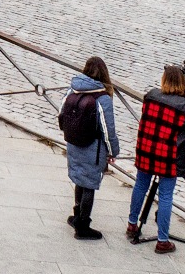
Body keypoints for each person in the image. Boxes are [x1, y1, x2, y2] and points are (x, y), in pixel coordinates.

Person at [126, 65, 185, 254]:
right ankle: (162, 241)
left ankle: (132, 225)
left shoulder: (150, 96)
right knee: (166, 196)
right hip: (168, 156)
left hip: (146, 150)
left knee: (140, 185)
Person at [63, 56, 121, 241]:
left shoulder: (74, 88)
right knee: (89, 184)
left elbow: (61, 113)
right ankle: (83, 226)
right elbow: (108, 129)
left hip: (74, 143)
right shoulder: (102, 97)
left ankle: (76, 215)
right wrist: (113, 151)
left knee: (80, 179)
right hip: (93, 147)